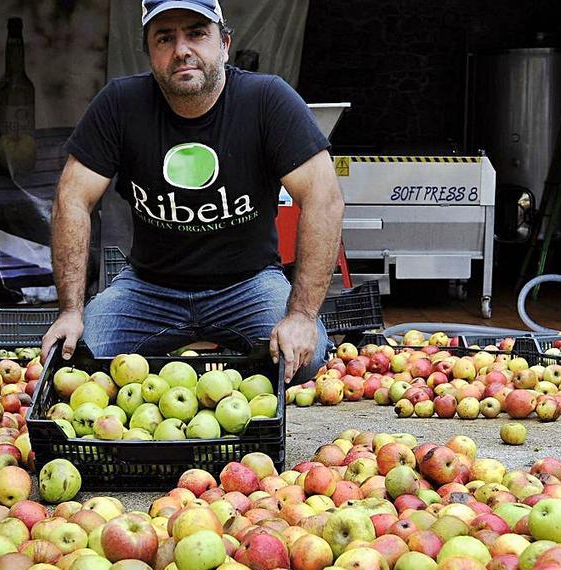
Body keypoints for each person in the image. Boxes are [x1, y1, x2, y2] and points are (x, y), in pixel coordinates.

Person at [40, 0, 343, 383]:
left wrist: (301, 315)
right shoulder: (120, 104)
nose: (181, 49)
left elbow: (323, 197)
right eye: (165, 38)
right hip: (148, 290)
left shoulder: (267, 100)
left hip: (248, 285)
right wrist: (71, 310)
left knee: (306, 358)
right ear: (149, 53)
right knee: (75, 361)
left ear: (225, 43)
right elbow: (72, 198)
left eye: (197, 33)